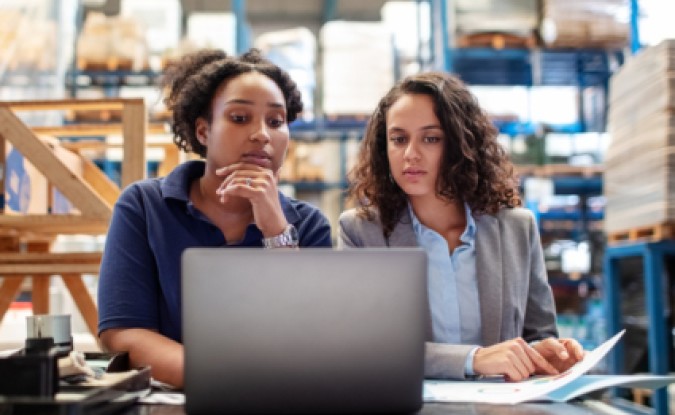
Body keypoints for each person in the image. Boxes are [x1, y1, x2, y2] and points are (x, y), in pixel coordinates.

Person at [97, 49, 332, 388]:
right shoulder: (144, 207)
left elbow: (310, 339)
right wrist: (222, 379)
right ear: (204, 131)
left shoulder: (309, 225)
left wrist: (276, 231)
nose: (262, 135)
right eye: (240, 118)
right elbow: (123, 332)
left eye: (276, 121)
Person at [338, 72, 584, 381]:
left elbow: (538, 333)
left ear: (460, 144)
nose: (410, 154)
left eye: (431, 138)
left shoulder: (517, 228)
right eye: (399, 139)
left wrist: (549, 354)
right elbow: (366, 349)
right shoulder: (361, 232)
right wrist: (474, 359)